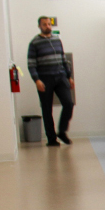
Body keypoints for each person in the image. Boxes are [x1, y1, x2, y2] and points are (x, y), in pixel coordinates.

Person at [27, 16, 75, 146]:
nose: (48, 26)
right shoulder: (34, 43)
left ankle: (62, 131)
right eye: (44, 24)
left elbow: (63, 59)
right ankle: (51, 139)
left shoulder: (57, 40)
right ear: (39, 26)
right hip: (45, 79)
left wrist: (69, 76)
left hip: (60, 76)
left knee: (68, 103)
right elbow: (31, 64)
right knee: (47, 109)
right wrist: (36, 80)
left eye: (49, 24)